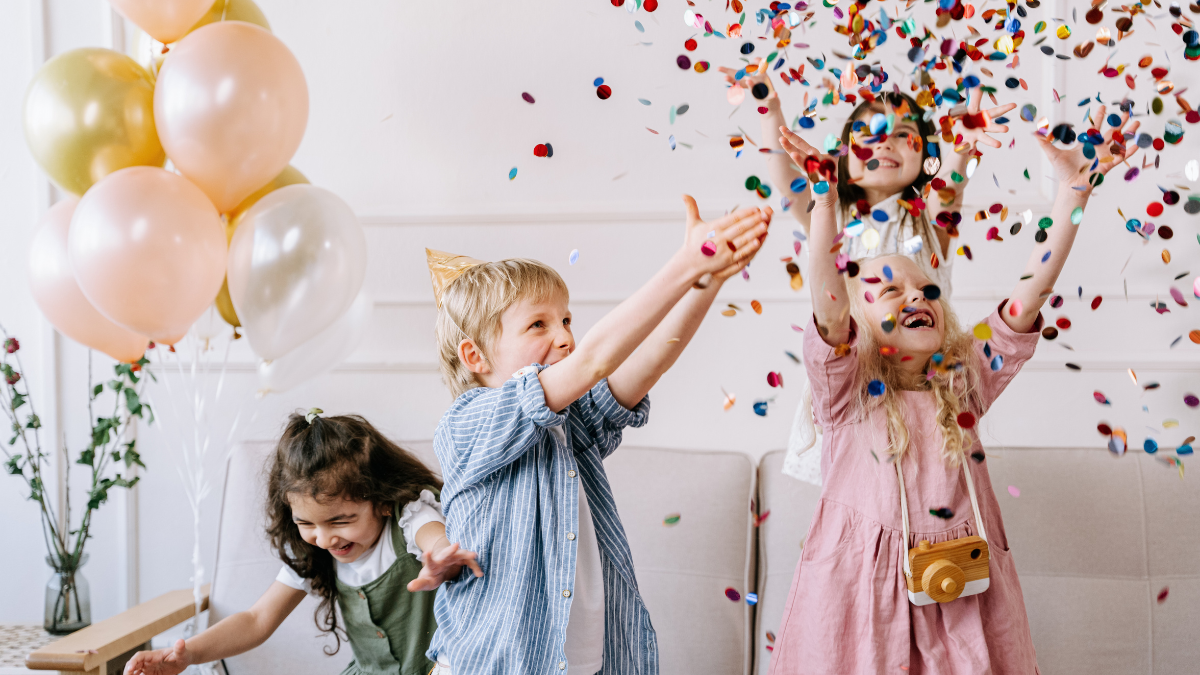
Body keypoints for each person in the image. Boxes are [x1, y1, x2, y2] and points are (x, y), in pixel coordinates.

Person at [766, 103, 1139, 673]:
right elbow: (828, 300)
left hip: (964, 605)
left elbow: (1028, 297)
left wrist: (1071, 201)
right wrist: (823, 202)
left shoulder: (962, 385)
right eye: (890, 291)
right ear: (856, 324)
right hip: (859, 610)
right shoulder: (843, 396)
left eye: (926, 289)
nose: (917, 296)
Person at [423, 198, 770, 675]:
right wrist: (685, 263)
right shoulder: (467, 424)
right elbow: (592, 360)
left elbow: (650, 360)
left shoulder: (568, 425)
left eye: (566, 320)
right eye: (538, 324)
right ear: (475, 356)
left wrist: (706, 282)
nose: (565, 336)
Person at [719, 57, 1014, 486]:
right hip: (851, 389)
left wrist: (965, 148)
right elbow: (783, 175)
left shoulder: (928, 218)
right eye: (869, 135)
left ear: (926, 156)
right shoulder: (831, 216)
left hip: (920, 389)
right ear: (843, 159)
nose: (885, 143)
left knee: (923, 497)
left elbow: (950, 187)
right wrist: (769, 101)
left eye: (903, 135)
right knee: (853, 507)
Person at [124, 412, 482, 675]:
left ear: (381, 499)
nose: (324, 538)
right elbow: (256, 620)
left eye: (341, 520)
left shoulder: (408, 515)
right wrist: (188, 655)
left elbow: (433, 536)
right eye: (305, 523)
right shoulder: (314, 553)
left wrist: (440, 555)